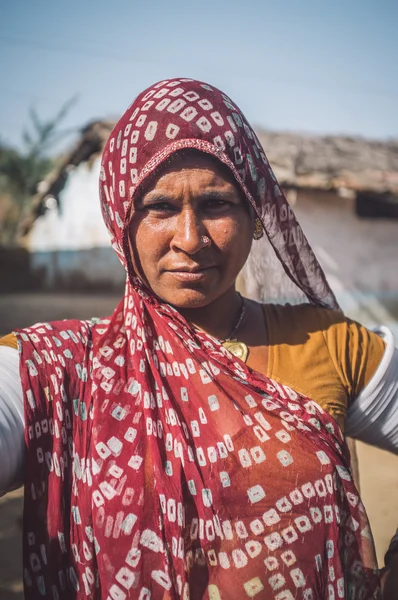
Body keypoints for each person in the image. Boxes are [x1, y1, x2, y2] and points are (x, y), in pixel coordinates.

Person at [0, 77, 397, 599]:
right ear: (123, 219)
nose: (190, 239)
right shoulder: (57, 368)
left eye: (216, 204)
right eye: (160, 207)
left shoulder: (324, 343)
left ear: (256, 214)